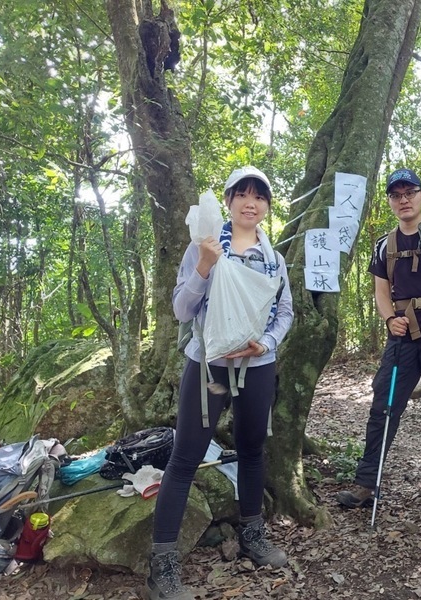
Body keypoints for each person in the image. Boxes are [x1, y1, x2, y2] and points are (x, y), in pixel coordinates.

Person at [147, 166, 293, 600]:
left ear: (267, 206)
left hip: (258, 364)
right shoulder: (202, 248)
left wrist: (265, 344)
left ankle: (252, 534)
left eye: (260, 196)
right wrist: (205, 267)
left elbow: (284, 312)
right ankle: (163, 564)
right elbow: (181, 309)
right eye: (243, 194)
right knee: (185, 456)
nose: (251, 202)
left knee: (251, 450)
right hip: (207, 364)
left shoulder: (274, 258)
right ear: (228, 201)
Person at [335, 168, 421, 515]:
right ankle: (367, 482)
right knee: (384, 405)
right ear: (391, 202)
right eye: (396, 195)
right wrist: (388, 318)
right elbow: (381, 291)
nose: (404, 200)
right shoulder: (385, 245)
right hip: (403, 334)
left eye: (410, 192)